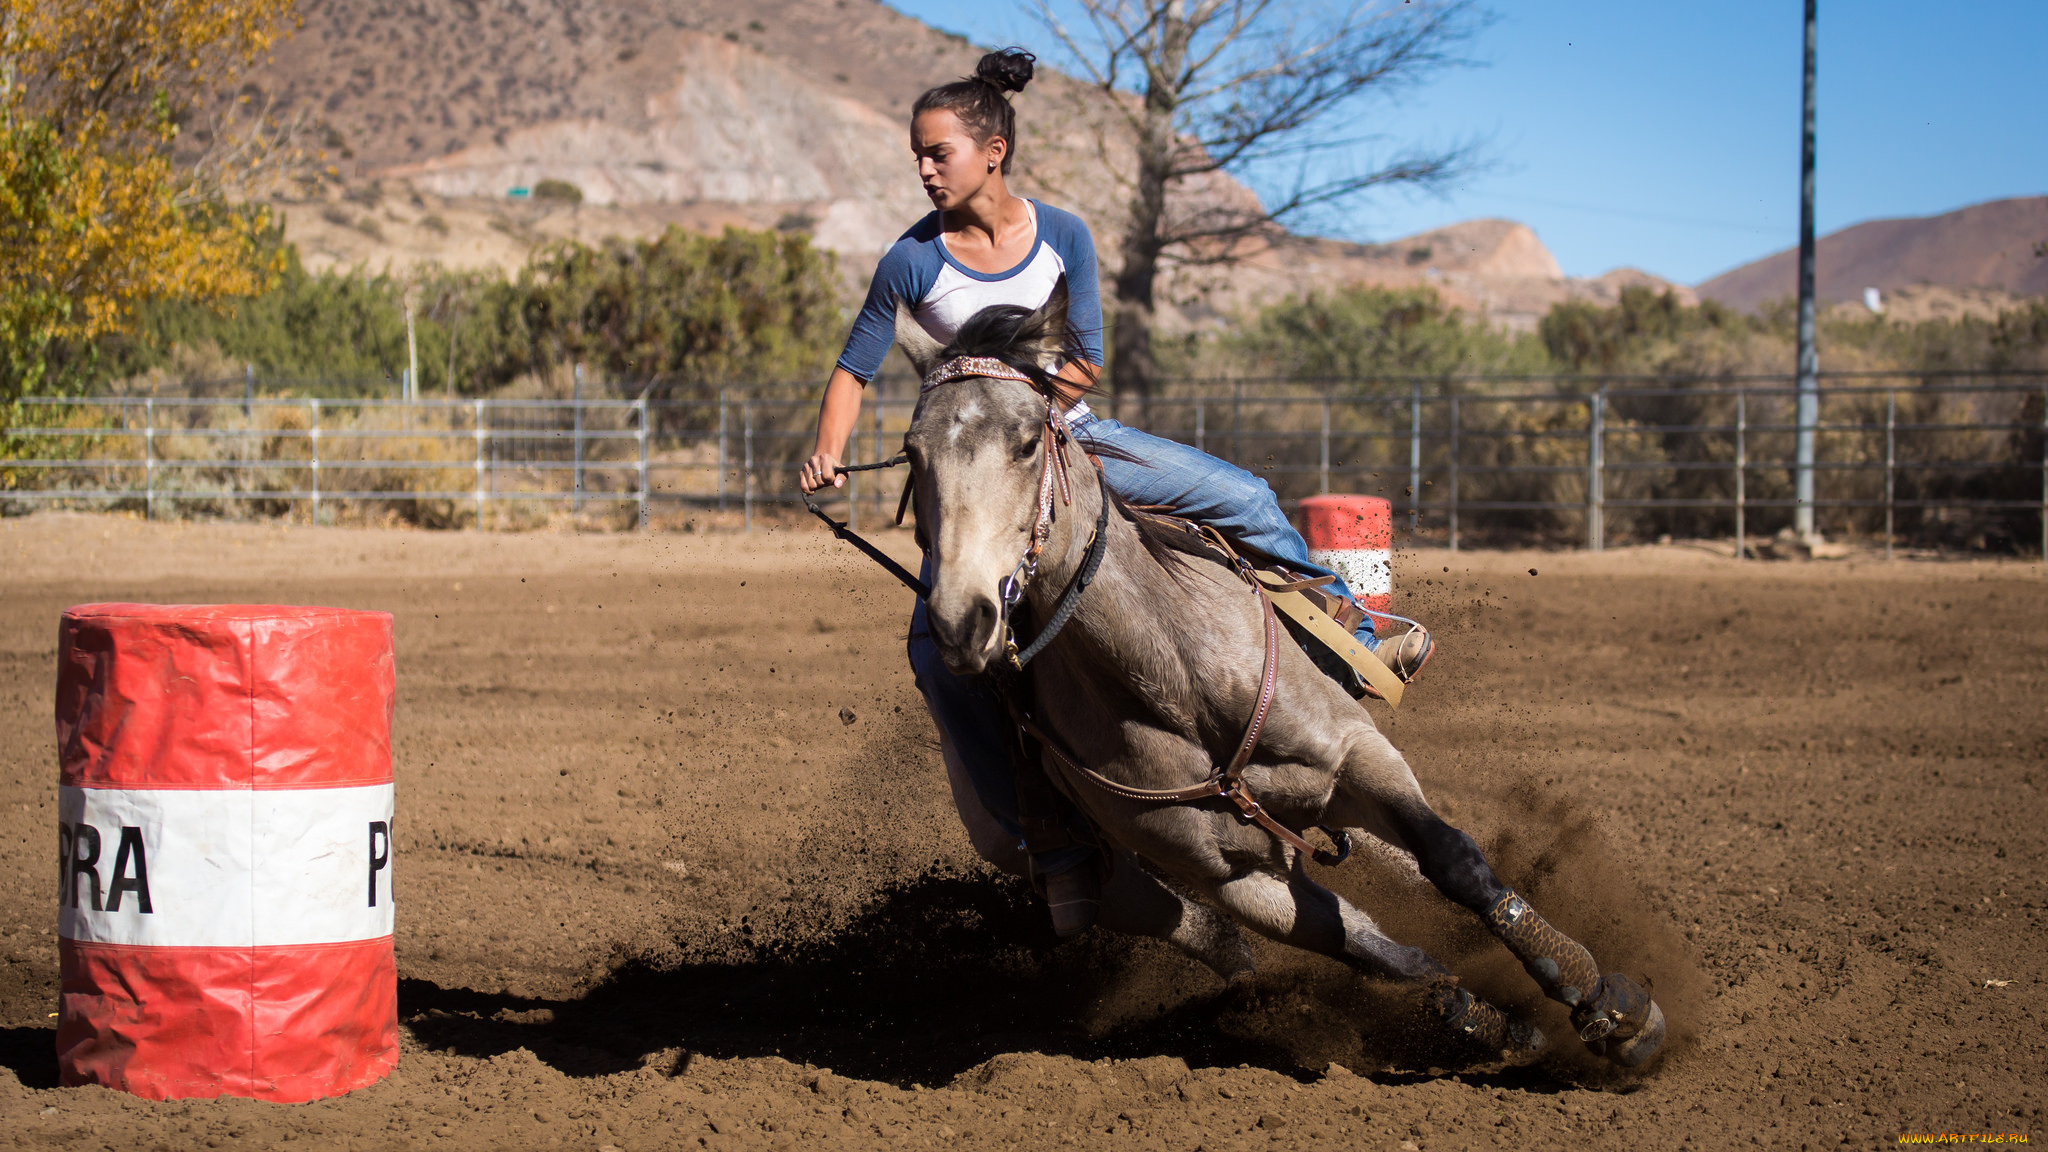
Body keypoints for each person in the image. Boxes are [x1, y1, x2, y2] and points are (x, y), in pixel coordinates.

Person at [798, 47, 1430, 938]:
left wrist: (1025, 413)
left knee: (1244, 498)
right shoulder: (911, 259)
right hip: (979, 470)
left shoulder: (1063, 236)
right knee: (938, 663)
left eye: (938, 151)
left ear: (994, 150)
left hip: (1065, 435)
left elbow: (1086, 359)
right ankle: (1050, 840)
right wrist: (828, 450)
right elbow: (855, 367)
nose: (924, 167)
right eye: (918, 153)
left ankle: (1358, 643)